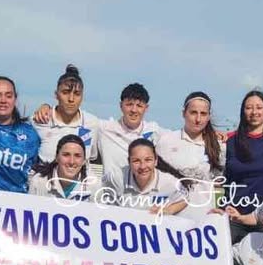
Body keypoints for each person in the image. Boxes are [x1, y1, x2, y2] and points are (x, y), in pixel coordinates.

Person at [33, 82, 168, 176]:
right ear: (121, 106)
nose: (134, 110)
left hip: (141, 197)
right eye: (129, 104)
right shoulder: (103, 127)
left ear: (146, 108)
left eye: (139, 105)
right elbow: (71, 121)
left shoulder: (155, 131)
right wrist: (47, 107)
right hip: (111, 198)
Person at [223, 90, 263, 244]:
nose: (254, 112)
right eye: (249, 107)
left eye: (259, 107)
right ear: (243, 111)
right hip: (235, 217)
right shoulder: (229, 141)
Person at [155, 91, 225, 215]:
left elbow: (222, 185)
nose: (198, 119)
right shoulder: (166, 141)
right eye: (193, 113)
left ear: (208, 117)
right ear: (184, 113)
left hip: (204, 217)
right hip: (172, 217)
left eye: (203, 114)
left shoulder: (219, 146)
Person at [100, 138, 189, 216]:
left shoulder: (170, 182)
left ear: (156, 160)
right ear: (129, 162)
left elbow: (185, 200)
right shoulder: (116, 177)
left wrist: (169, 210)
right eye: (136, 161)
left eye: (148, 160)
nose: (143, 166)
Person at [32, 65, 100, 163]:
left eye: (77, 94)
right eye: (65, 92)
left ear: (82, 96)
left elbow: (91, 158)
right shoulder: (39, 120)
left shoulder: (92, 123)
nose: (71, 99)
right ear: (56, 94)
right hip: (45, 177)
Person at [29, 134, 101, 201]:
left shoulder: (94, 184)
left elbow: (99, 213)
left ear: (84, 161)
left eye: (77, 156)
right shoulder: (38, 182)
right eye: (66, 155)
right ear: (57, 157)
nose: (71, 162)